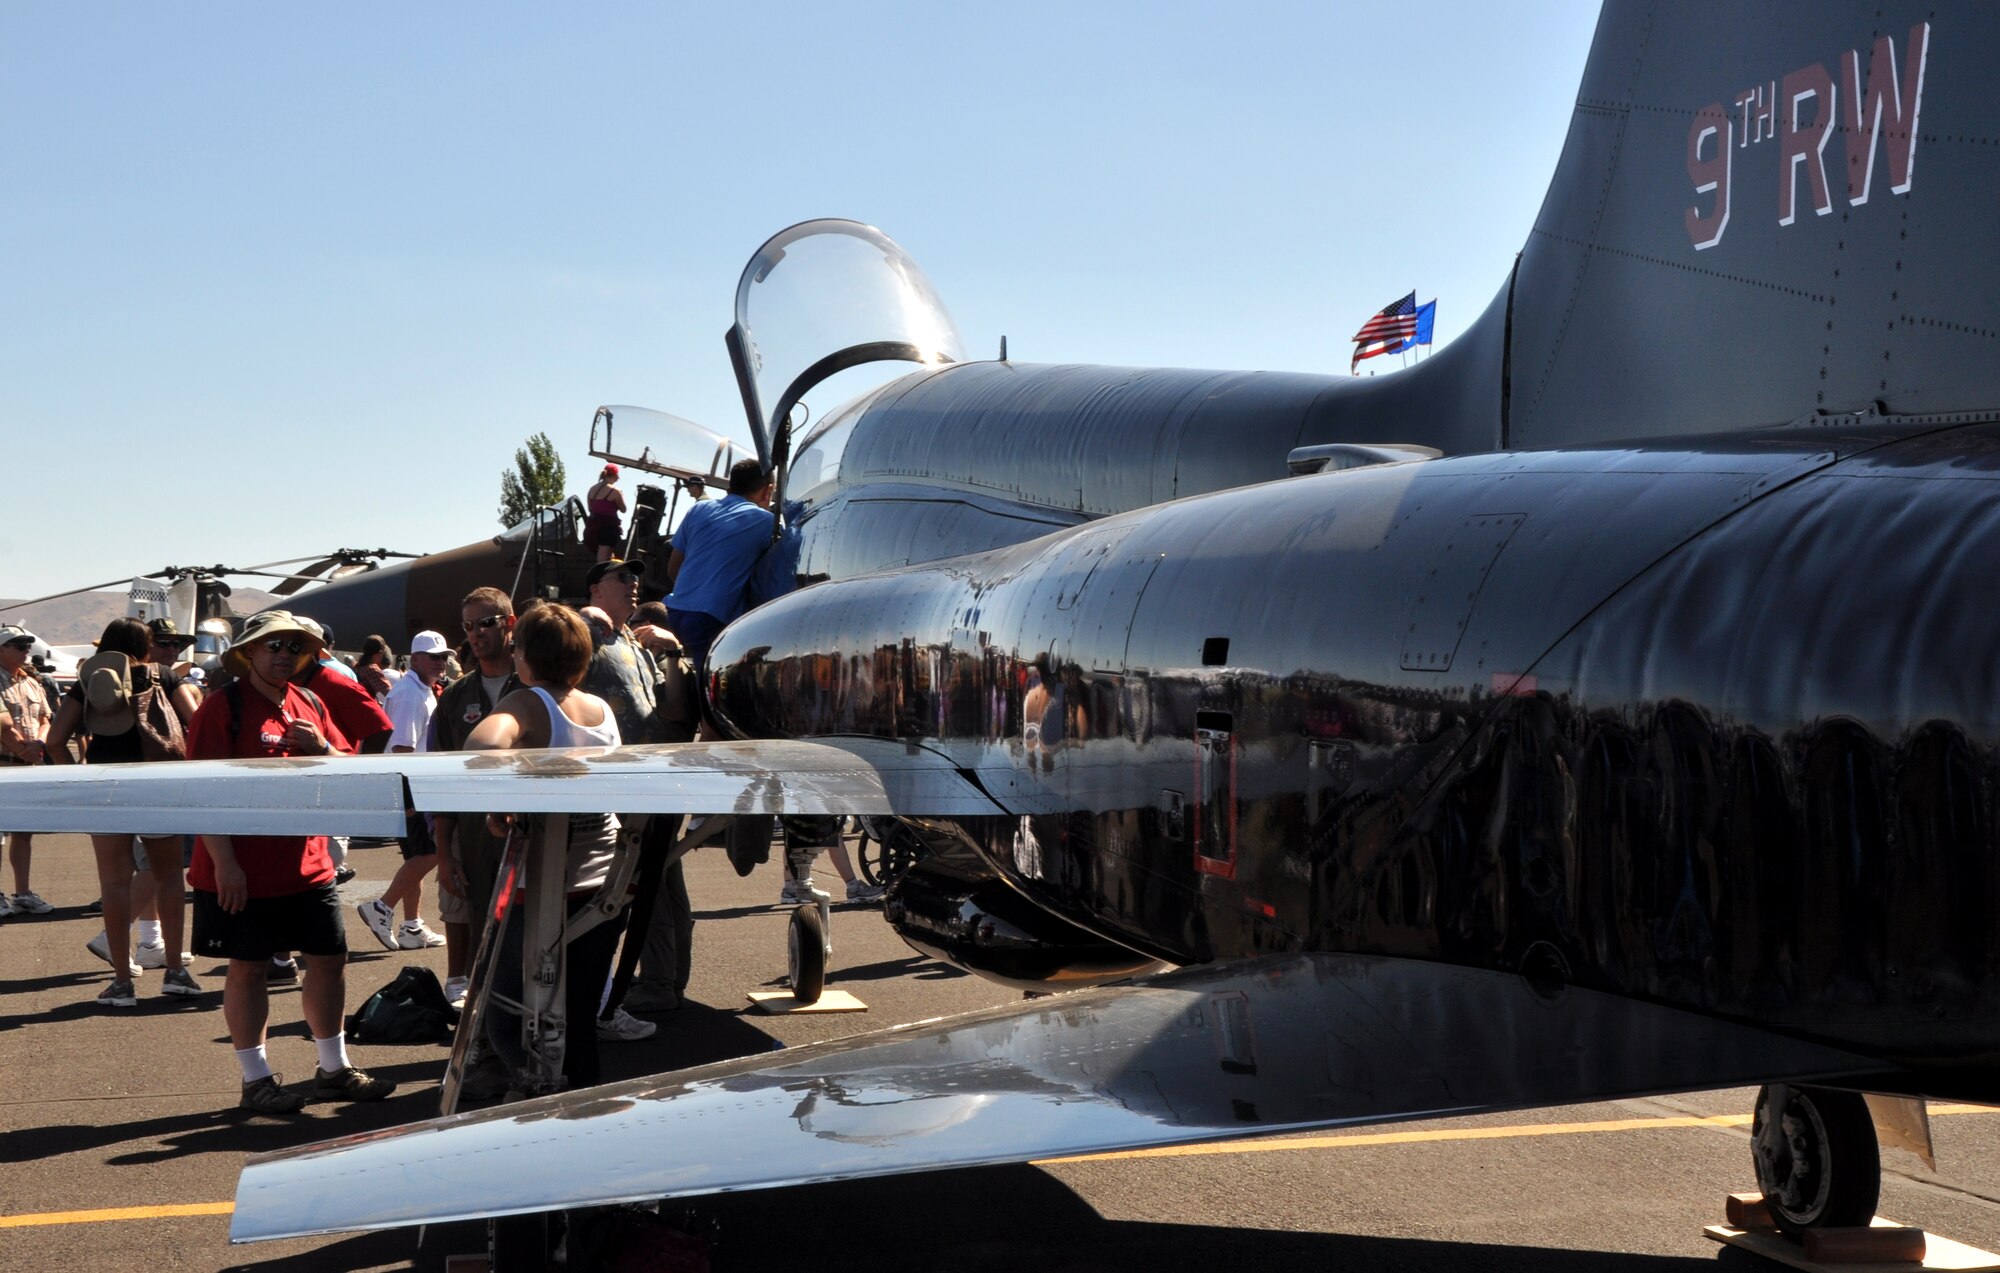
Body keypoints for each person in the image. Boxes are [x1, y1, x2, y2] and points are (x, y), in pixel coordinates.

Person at [182, 610, 393, 1114]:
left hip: (308, 865)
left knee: (329, 962)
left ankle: (333, 1070)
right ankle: (256, 1081)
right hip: (242, 871)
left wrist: (321, 747)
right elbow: (201, 793)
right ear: (249, 652)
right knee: (249, 970)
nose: (282, 655)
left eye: (291, 648)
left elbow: (344, 768)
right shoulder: (222, 708)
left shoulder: (310, 701)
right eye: (271, 645)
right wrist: (226, 864)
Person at [441, 603, 632, 1091]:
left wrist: (503, 800)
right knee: (579, 1014)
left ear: (523, 655)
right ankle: (581, 1110)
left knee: (505, 1012)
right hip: (603, 878)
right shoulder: (601, 709)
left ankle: (537, 1093)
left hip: (543, 884)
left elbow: (480, 748)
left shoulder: (528, 703)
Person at [47, 618, 204, 1005]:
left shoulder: (88, 680)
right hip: (157, 785)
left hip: (105, 788)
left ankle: (121, 982)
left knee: (114, 884)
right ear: (145, 644)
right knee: (168, 878)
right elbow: (196, 722)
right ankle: (175, 972)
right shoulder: (162, 675)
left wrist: (78, 781)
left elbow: (54, 741)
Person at [429, 587, 520, 1010]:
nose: (476, 633)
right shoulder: (456, 697)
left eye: (486, 622)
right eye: (468, 626)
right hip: (470, 832)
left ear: (509, 623)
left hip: (528, 829)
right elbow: (440, 783)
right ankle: (469, 992)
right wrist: (445, 856)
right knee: (467, 911)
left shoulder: (534, 685)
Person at [357, 630, 450, 952]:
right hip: (409, 785)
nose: (441, 662)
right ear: (417, 658)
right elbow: (402, 748)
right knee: (431, 852)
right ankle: (382, 907)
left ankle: (412, 925)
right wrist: (410, 796)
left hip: (409, 785)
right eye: (435, 657)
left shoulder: (419, 688)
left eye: (444, 656)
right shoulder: (410, 693)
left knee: (417, 855)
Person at [663, 459, 783, 682]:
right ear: (767, 491)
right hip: (710, 620)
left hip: (677, 612)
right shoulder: (767, 522)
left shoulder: (698, 509)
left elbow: (673, 568)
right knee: (713, 698)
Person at [0, 625, 55, 917]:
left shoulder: (32, 682)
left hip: (29, 765)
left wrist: (39, 745)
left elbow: (46, 717)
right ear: (2, 649)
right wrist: (24, 748)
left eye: (26, 646)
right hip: (4, 765)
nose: (25, 652)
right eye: (18, 646)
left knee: (23, 833)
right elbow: (3, 725)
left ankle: (22, 893)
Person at [583, 464, 628, 564]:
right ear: (614, 476)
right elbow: (623, 509)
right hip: (607, 529)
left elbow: (590, 508)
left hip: (592, 528)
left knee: (607, 557)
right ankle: (603, 578)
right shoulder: (615, 491)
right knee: (602, 560)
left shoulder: (592, 490)